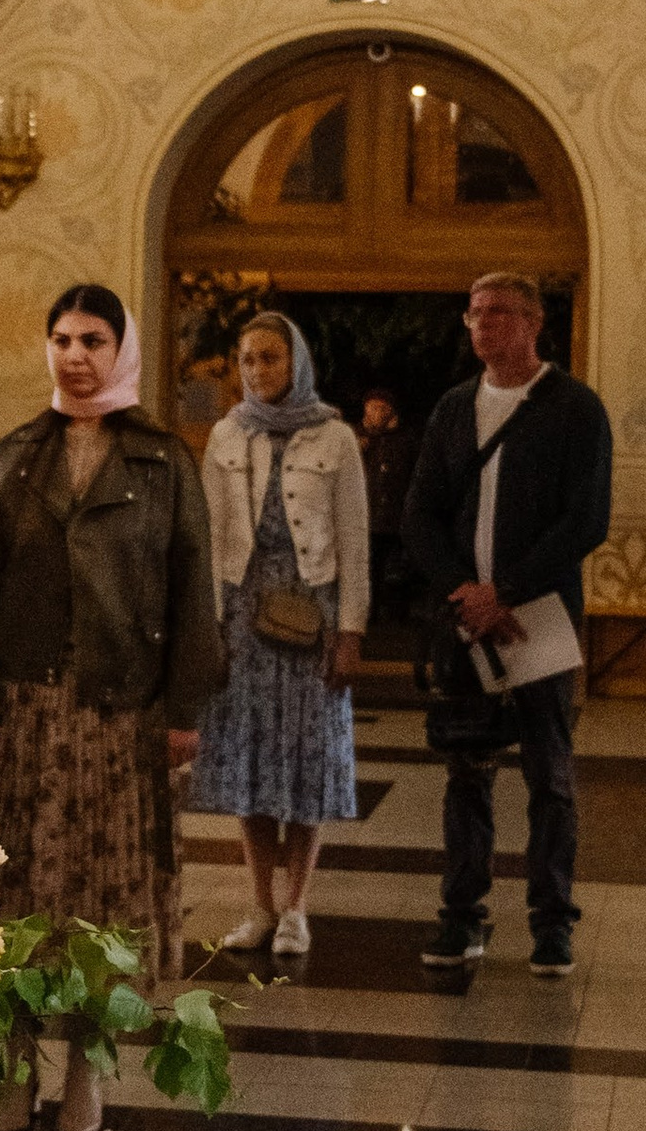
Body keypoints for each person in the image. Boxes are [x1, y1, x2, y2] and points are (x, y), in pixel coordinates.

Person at [0, 283, 221, 1131]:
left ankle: (86, 1072)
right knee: (13, 891)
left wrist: (183, 708)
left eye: (93, 340)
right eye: (63, 339)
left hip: (120, 714)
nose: (75, 356)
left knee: (105, 902)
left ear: (122, 350)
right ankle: (11, 1061)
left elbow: (193, 587)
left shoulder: (162, 460)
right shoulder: (17, 454)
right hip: (26, 709)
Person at [402, 271, 612, 980]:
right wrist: (464, 593)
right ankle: (462, 916)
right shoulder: (454, 407)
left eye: (498, 312)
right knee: (467, 771)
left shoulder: (574, 408)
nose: (483, 324)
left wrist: (509, 592)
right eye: (474, 313)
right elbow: (420, 513)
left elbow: (586, 518)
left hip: (538, 617)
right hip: (467, 621)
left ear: (533, 323)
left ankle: (552, 923)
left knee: (549, 775)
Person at [188, 314, 368, 960]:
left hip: (312, 609)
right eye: (248, 359)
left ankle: (297, 908)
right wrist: (209, 627)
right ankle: (260, 904)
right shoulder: (227, 433)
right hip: (243, 612)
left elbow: (355, 539)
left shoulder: (335, 437)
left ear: (296, 363)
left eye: (270, 358)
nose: (258, 370)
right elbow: (210, 536)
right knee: (252, 762)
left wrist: (351, 632)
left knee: (308, 761)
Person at [358, 384, 411, 627]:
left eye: (382, 408)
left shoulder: (403, 440)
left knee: (396, 570)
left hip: (395, 518)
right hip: (364, 518)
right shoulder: (355, 437)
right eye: (372, 408)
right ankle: (367, 614)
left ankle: (395, 616)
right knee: (367, 569)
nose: (377, 413)